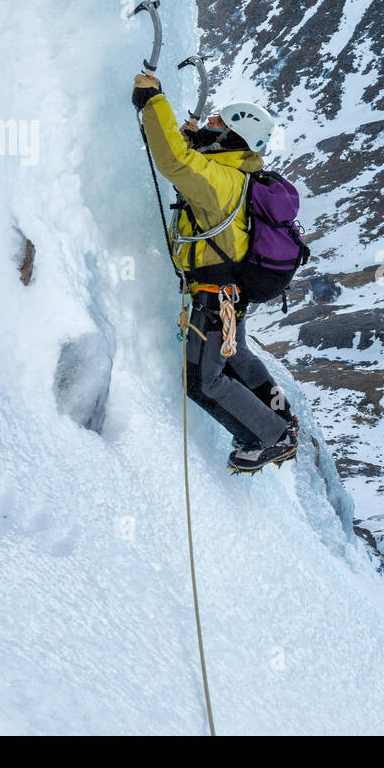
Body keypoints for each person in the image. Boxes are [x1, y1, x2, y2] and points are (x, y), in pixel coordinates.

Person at [131, 72, 298, 472]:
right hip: (228, 292)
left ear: (233, 136)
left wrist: (153, 103)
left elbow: (175, 161)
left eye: (218, 124)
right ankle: (281, 414)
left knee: (202, 380)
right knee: (237, 355)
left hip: (213, 294)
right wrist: (195, 137)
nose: (209, 124)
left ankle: (268, 437)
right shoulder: (236, 175)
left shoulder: (222, 182)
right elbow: (194, 161)